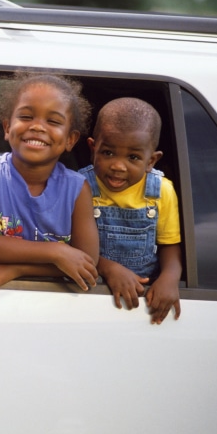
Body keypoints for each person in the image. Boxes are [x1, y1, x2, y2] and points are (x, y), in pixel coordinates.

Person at [0, 72, 99, 296]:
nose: (37, 127)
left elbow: (86, 263)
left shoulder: (77, 189)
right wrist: (56, 252)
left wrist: (17, 269)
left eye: (53, 121)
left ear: (70, 139)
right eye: (26, 117)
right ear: (7, 127)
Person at [79, 97, 182, 324]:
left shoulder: (161, 191)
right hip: (90, 299)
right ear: (92, 147)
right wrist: (108, 268)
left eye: (133, 157)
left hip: (140, 304)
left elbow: (170, 246)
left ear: (151, 161)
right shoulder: (79, 186)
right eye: (108, 153)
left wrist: (169, 279)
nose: (118, 165)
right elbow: (71, 247)